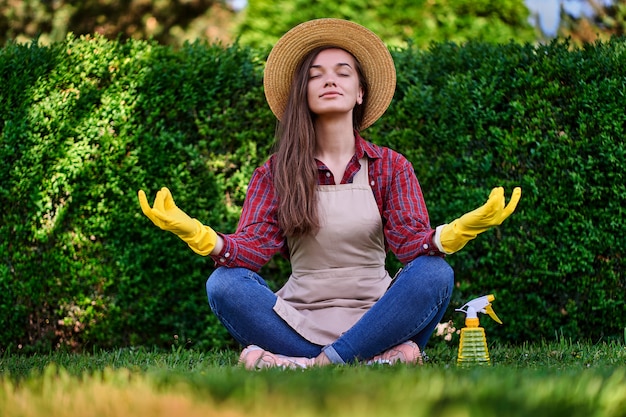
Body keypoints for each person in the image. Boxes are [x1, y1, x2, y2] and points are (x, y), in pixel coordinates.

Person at [138, 18, 521, 369]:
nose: (329, 80)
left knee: (435, 273)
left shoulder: (390, 167)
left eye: (343, 72)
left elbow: (409, 246)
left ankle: (304, 366)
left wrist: (454, 233)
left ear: (359, 93)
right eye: (315, 75)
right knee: (223, 284)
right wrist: (200, 236)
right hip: (298, 319)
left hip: (380, 317)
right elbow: (251, 250)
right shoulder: (275, 173)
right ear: (303, 93)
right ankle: (370, 362)